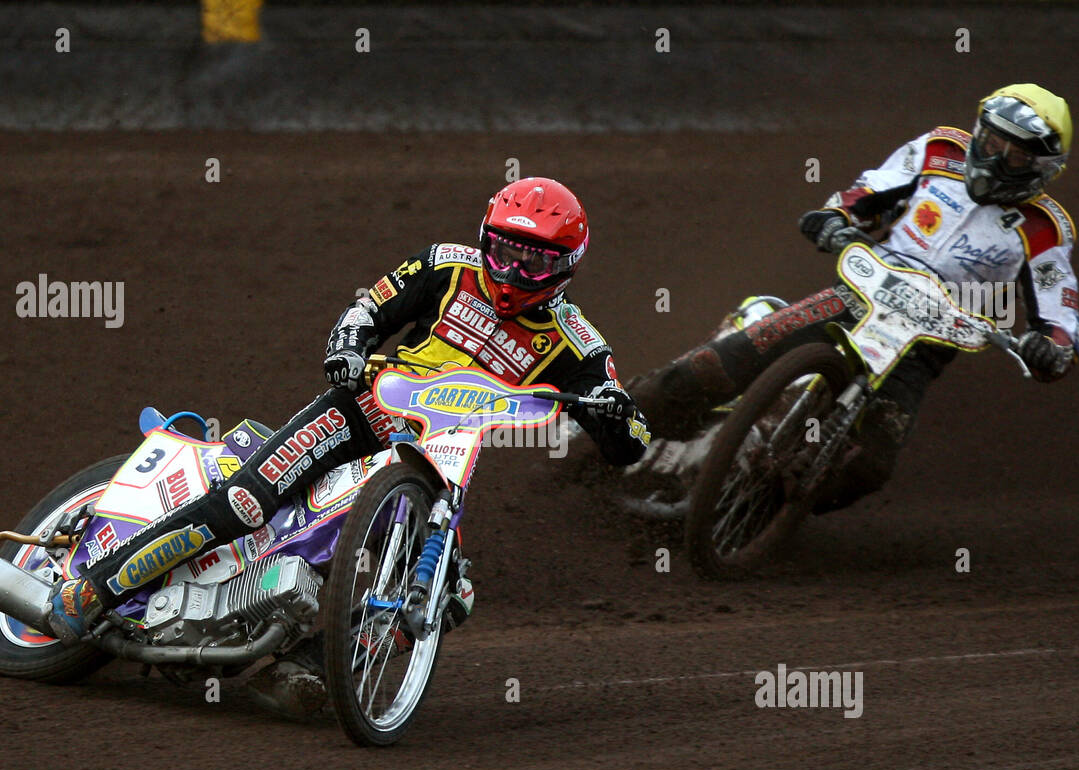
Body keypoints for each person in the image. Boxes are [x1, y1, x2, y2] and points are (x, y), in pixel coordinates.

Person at [46, 177, 651, 709]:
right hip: (361, 410)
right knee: (246, 501)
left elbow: (631, 444)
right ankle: (98, 585)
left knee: (449, 591)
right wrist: (347, 348)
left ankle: (308, 664)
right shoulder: (446, 265)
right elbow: (369, 308)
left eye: (535, 264)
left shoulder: (579, 345)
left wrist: (619, 414)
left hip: (442, 458)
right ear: (485, 239)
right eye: (505, 253)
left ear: (569, 267)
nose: (515, 274)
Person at [629, 84, 1079, 511]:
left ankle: (750, 512)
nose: (995, 156)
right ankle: (610, 425)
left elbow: (1059, 316)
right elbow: (869, 192)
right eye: (991, 140)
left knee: (867, 466)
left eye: (1015, 154)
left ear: (1042, 169)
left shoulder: (1045, 229)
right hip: (855, 296)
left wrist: (1051, 348)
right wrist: (835, 217)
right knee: (713, 365)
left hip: (920, 350)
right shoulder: (939, 150)